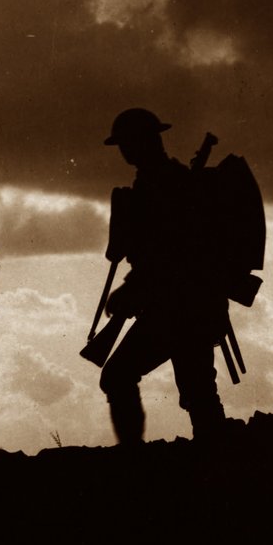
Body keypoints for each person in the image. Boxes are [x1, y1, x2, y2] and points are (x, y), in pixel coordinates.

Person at [96, 108, 229, 445]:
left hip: (177, 308)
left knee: (118, 377)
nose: (124, 150)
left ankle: (137, 460)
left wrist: (129, 292)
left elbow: (168, 254)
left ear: (146, 141)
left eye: (128, 142)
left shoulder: (163, 184)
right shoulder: (166, 180)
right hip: (192, 306)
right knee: (199, 391)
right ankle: (217, 464)